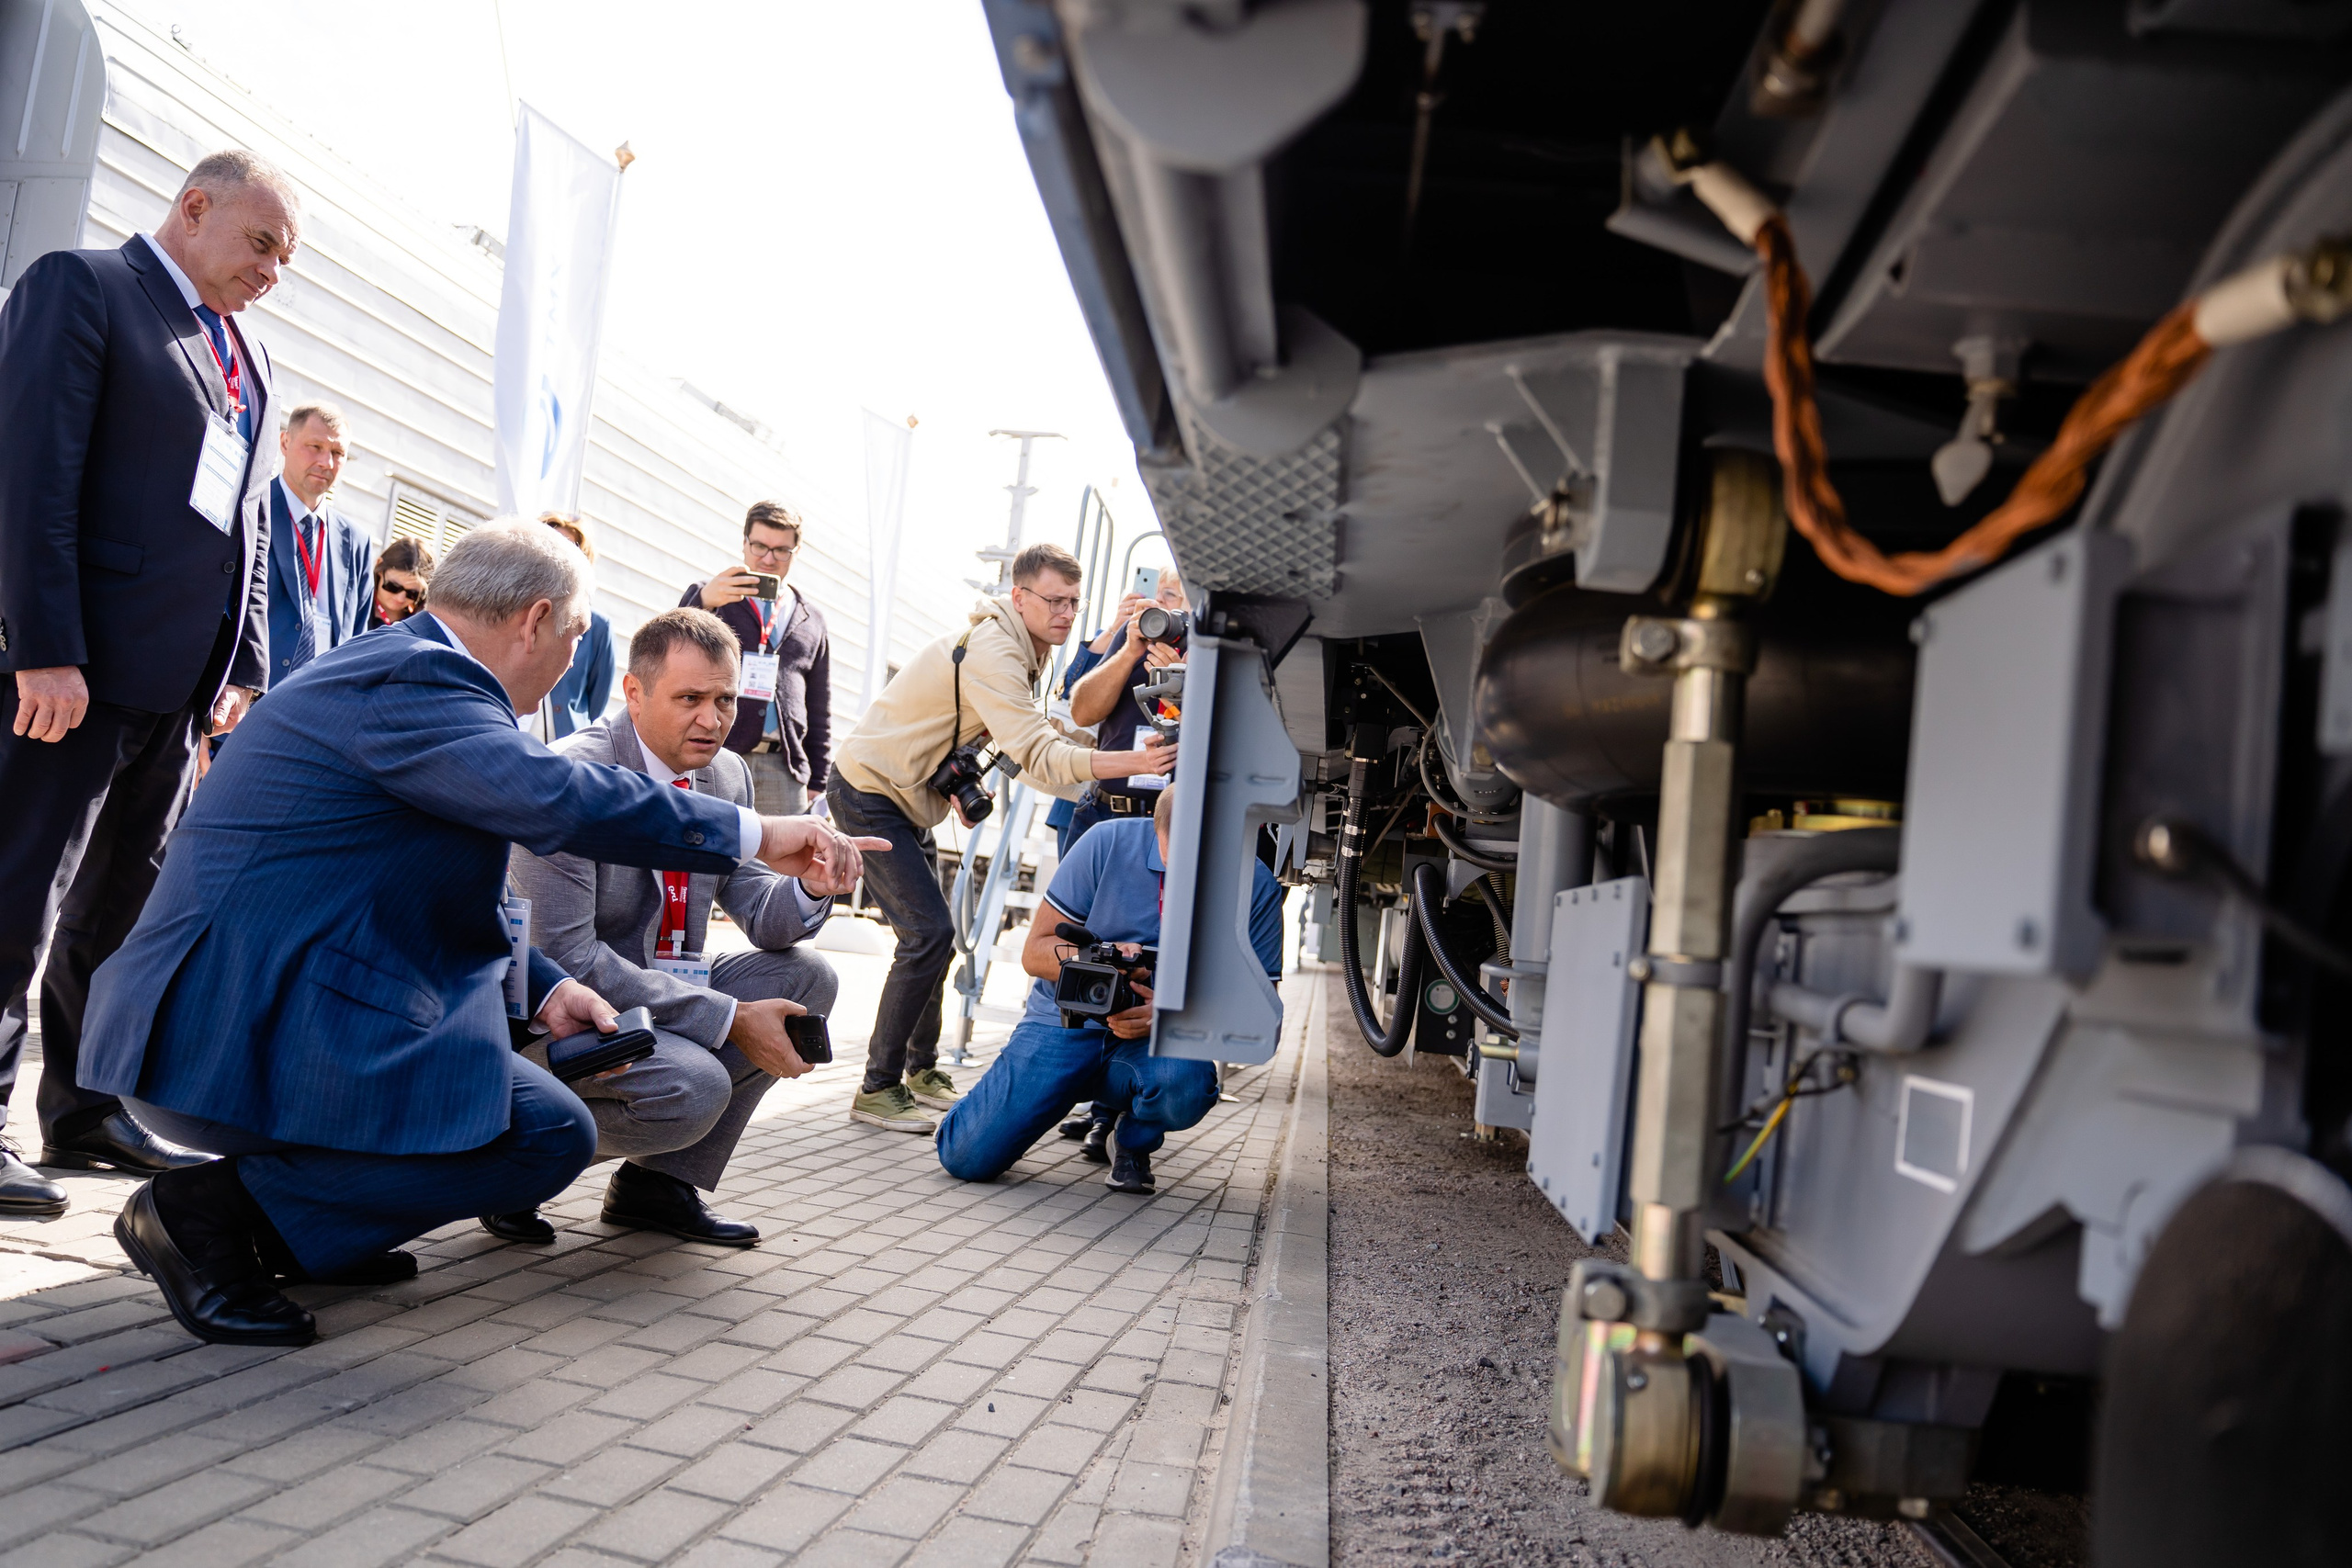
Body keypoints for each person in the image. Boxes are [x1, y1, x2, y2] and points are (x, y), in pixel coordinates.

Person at [74, 523, 883, 1346]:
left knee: (535, 1110)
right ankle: (198, 1218)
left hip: (279, 1011)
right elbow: (564, 800)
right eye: (577, 637)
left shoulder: (413, 678)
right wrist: (759, 832)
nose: (576, 660)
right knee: (543, 1132)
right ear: (534, 620)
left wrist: (548, 986)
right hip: (231, 1034)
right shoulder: (418, 681)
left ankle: (286, 1234)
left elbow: (440, 887)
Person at [0, 149, 299, 1215]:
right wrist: (43, 645)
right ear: (193, 206)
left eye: (285, 258)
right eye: (260, 243)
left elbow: (249, 523)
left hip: (177, 689)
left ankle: (83, 1110)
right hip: (70, 673)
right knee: (17, 888)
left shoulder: (246, 357)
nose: (272, 271)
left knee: (120, 910)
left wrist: (244, 666)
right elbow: (29, 473)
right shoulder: (85, 288)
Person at [492, 607, 842, 1247]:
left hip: (660, 991)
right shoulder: (574, 775)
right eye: (690, 699)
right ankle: (514, 1171)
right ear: (634, 692)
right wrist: (727, 1016)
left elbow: (759, 909)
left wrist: (812, 885)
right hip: (562, 1016)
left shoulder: (725, 773)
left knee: (808, 976)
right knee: (692, 1085)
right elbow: (568, 958)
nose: (712, 720)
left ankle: (657, 1188)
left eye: (725, 699)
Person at [827, 542, 1177, 1136]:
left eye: (1074, 601)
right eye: (1054, 600)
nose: (1066, 613)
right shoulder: (997, 648)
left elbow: (1032, 741)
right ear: (1020, 597)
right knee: (929, 934)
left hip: (906, 799)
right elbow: (1039, 756)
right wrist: (1126, 760)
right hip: (869, 791)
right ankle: (877, 1086)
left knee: (936, 936)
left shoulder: (1023, 649)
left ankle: (922, 1070)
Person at [937, 784, 1283, 1192]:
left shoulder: (1256, 885)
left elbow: (1263, 1017)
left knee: (1185, 1088)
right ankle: (1000, 1104)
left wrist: (1172, 1015)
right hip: (1065, 1025)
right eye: (1177, 863)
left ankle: (1133, 1139)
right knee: (966, 1157)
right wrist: (1099, 961)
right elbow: (1035, 953)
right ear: (1155, 829)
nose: (1185, 881)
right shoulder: (1106, 842)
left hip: (1156, 1041)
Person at [680, 500, 831, 816]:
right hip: (717, 752)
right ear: (744, 542)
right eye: (760, 546)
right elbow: (673, 650)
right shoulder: (712, 595)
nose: (768, 558)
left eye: (781, 550)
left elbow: (819, 706)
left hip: (785, 768)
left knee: (781, 864)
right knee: (710, 857)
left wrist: (819, 778)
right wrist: (702, 602)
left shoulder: (811, 618)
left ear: (796, 551)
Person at [1057, 568, 1189, 855]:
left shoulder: (1204, 652)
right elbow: (1082, 713)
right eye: (1152, 594)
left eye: (1168, 595)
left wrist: (1178, 687)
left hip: (1168, 824)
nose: (1156, 603)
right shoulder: (1133, 637)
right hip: (1102, 809)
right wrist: (1128, 652)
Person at [264, 402, 375, 683]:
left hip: (318, 707)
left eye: (338, 453)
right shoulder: (252, 510)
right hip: (245, 704)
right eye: (315, 446)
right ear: (285, 442)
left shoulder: (356, 543)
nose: (326, 462)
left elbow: (356, 638)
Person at [537, 513, 615, 739]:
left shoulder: (598, 627)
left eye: (569, 549)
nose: (558, 557)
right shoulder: (513, 610)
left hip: (565, 745)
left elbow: (596, 702)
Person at [370, 536, 435, 626]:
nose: (400, 598)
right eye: (393, 587)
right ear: (379, 565)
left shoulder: (422, 623)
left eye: (412, 593)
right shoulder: (355, 606)